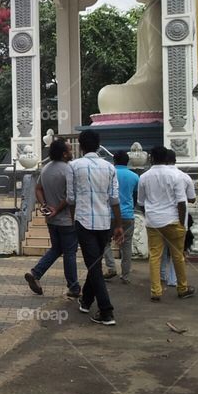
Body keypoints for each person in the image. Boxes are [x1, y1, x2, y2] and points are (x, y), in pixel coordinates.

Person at [67, 130, 124, 326]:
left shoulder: (73, 167)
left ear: (81, 146)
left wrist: (71, 219)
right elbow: (114, 199)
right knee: (95, 263)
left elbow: (71, 198)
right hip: (105, 222)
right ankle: (86, 301)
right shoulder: (109, 167)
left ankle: (106, 310)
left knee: (94, 266)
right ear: (99, 146)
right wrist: (118, 225)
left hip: (83, 221)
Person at [137, 145, 196, 302]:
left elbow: (141, 202)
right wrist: (182, 224)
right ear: (168, 159)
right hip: (173, 220)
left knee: (155, 256)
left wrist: (148, 215)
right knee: (178, 256)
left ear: (151, 158)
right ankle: (182, 288)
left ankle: (156, 291)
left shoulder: (144, 177)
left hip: (153, 222)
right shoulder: (176, 176)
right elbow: (182, 202)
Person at [24, 138, 79, 298]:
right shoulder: (68, 170)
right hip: (66, 219)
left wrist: (45, 205)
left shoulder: (46, 168)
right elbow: (70, 197)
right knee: (69, 252)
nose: (71, 153)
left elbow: (38, 188)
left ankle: (35, 273)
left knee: (57, 248)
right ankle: (74, 286)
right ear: (63, 153)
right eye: (69, 150)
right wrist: (57, 209)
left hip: (51, 219)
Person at [160, 149, 196, 289]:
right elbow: (192, 199)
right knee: (177, 251)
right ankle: (173, 279)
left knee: (160, 250)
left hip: (159, 218)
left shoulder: (154, 176)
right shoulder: (184, 177)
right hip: (179, 218)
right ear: (175, 160)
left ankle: (161, 275)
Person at [102, 150, 139, 284]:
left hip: (109, 214)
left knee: (105, 242)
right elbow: (136, 196)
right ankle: (125, 275)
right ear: (127, 161)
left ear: (114, 161)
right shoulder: (134, 177)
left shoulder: (108, 174)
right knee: (126, 246)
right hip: (128, 215)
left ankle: (111, 267)